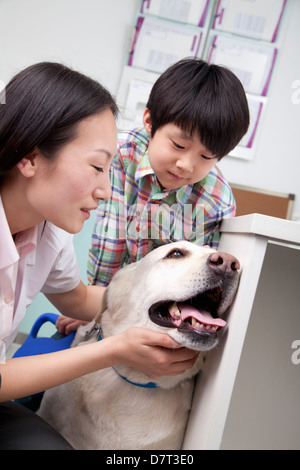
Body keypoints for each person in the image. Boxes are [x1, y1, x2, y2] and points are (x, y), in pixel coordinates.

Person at [0, 62, 198, 450]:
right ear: (30, 156)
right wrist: (112, 349)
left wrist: (173, 308)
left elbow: (76, 299)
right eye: (95, 167)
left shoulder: (48, 233)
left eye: (109, 170)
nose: (106, 190)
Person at [87, 59, 250, 287]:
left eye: (205, 157)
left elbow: (198, 277)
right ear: (149, 122)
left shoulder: (216, 201)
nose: (186, 165)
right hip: (101, 291)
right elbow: (111, 242)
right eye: (178, 145)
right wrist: (91, 304)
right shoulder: (119, 154)